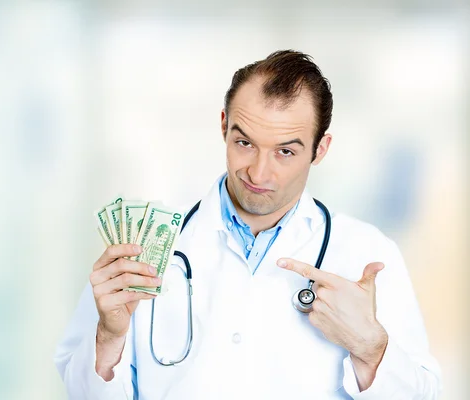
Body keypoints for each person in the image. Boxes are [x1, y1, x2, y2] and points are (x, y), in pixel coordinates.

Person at [54, 50, 442, 399]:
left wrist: (371, 348)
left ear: (320, 150)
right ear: (224, 126)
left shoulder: (366, 253)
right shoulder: (144, 246)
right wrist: (109, 335)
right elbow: (80, 393)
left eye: (285, 152)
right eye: (245, 143)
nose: (258, 171)